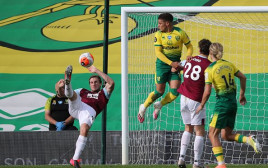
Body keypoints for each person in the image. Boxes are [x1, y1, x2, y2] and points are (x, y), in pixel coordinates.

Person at [196, 42, 261, 168]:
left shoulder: (210, 69)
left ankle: (221, 164)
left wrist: (202, 104)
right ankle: (248, 139)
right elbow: (243, 77)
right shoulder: (229, 65)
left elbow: (207, 91)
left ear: (210, 53)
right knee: (225, 135)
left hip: (222, 104)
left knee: (212, 133)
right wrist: (241, 95)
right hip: (232, 104)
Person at [138, 12, 193, 123]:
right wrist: (171, 63)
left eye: (160, 23)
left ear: (167, 23)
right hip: (162, 65)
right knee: (159, 92)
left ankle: (160, 105)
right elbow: (158, 53)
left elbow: (189, 46)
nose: (158, 25)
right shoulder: (158, 34)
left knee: (175, 91)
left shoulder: (180, 33)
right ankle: (143, 107)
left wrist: (189, 55)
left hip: (175, 65)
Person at [64, 65, 115, 168]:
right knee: (71, 95)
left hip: (89, 111)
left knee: (84, 129)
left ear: (100, 84)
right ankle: (67, 82)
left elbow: (111, 83)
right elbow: (70, 95)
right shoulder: (83, 91)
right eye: (91, 82)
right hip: (77, 106)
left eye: (96, 82)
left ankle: (74, 160)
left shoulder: (103, 94)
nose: (93, 84)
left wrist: (96, 71)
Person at [177, 39, 212, 168]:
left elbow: (175, 66)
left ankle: (181, 159)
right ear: (209, 51)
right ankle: (197, 163)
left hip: (183, 98)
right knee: (199, 131)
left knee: (187, 128)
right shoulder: (208, 65)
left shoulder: (189, 60)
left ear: (198, 49)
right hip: (196, 100)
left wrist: (179, 69)